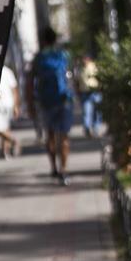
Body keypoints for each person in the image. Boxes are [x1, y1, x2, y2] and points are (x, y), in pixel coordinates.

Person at [29, 33, 77, 183]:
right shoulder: (64, 55)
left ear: (43, 40)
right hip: (64, 100)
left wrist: (30, 102)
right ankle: (64, 168)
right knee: (64, 136)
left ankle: (54, 167)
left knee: (49, 135)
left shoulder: (38, 58)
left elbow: (31, 81)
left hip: (46, 101)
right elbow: (72, 76)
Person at [78, 51, 104, 137]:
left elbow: (101, 78)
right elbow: (77, 81)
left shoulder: (95, 67)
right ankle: (87, 128)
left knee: (97, 111)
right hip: (85, 93)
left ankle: (96, 128)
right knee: (87, 111)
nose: (83, 60)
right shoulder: (80, 69)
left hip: (95, 92)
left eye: (85, 59)